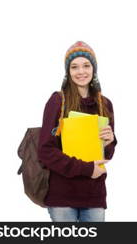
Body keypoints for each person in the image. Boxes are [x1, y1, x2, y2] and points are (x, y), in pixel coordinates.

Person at [38, 41, 116, 222]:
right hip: (62, 196)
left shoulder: (105, 104)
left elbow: (107, 154)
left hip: (94, 194)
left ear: (93, 69)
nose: (81, 72)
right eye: (74, 67)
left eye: (86, 65)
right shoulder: (57, 101)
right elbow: (46, 151)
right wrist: (87, 169)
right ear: (68, 71)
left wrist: (109, 141)